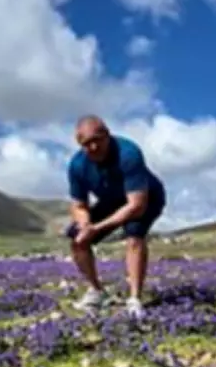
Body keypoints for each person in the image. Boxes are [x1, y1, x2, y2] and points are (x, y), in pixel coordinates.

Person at [64, 115, 166, 317]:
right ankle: (97, 291)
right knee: (77, 239)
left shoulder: (129, 153)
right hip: (112, 200)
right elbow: (78, 205)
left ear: (108, 135)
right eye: (86, 144)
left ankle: (135, 299)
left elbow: (136, 206)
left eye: (97, 140)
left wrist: (98, 228)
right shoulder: (77, 166)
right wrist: (85, 225)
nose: (93, 147)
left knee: (134, 236)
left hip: (146, 197)